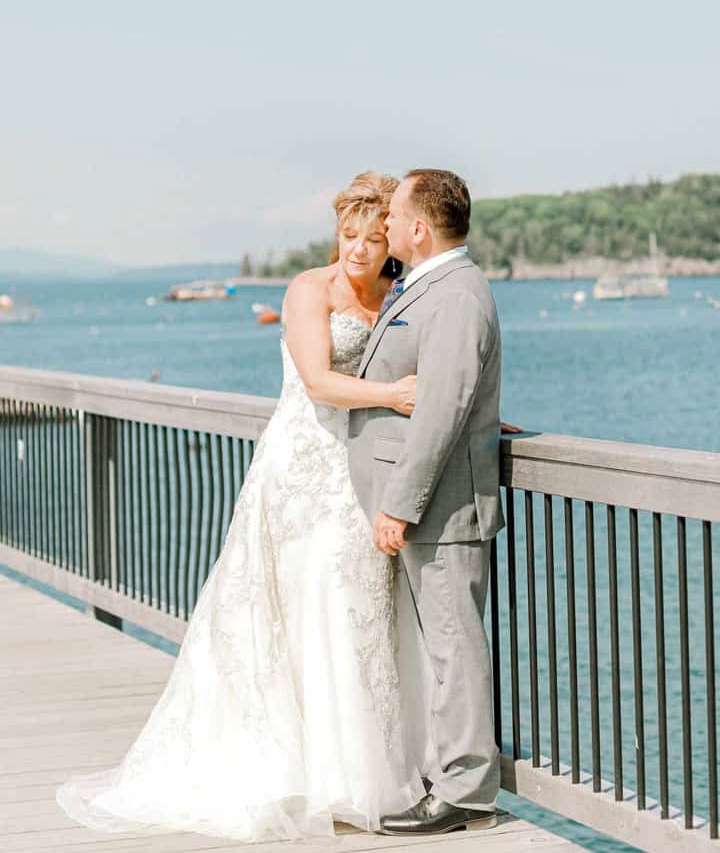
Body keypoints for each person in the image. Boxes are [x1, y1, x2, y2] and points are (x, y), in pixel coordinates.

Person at [55, 172, 427, 842]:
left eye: (373, 239)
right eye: (348, 236)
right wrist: (397, 397)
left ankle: (357, 772)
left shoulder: (395, 294)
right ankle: (300, 774)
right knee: (302, 602)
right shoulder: (308, 290)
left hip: (360, 471)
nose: (358, 251)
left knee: (354, 611)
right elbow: (317, 380)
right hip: (303, 467)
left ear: (391, 240)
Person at [347, 168, 504, 835]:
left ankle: (465, 793)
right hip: (425, 506)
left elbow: (440, 408)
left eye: (395, 216)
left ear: (419, 227)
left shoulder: (456, 296)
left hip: (438, 510)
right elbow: (452, 392)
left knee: (454, 650)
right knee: (440, 648)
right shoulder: (431, 288)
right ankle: (447, 777)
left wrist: (399, 505)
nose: (385, 227)